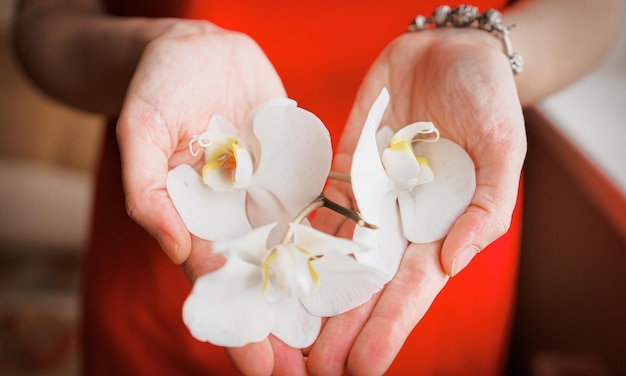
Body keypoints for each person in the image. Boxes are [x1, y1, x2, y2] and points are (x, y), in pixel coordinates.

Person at [12, 0, 620, 374]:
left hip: (416, 247)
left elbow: (596, 8)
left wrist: (487, 47)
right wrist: (149, 50)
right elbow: (43, 16)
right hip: (174, 235)